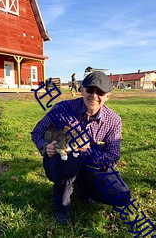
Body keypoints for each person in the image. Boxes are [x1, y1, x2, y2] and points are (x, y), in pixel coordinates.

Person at [31, 72, 131, 225]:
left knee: (121, 196)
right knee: (68, 162)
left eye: (100, 92)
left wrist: (90, 151)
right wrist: (45, 147)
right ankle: (62, 208)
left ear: (107, 96)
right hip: (61, 161)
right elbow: (37, 132)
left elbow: (113, 157)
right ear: (82, 90)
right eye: (90, 90)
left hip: (91, 165)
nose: (94, 96)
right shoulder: (63, 108)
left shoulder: (114, 121)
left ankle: (83, 188)